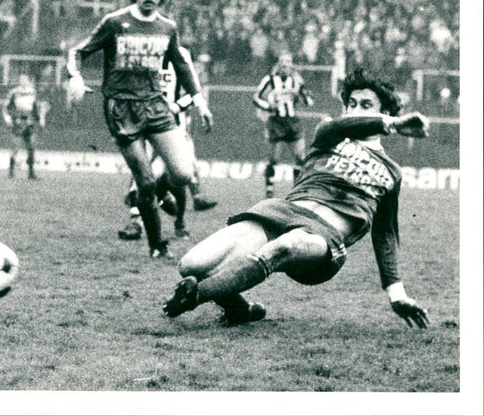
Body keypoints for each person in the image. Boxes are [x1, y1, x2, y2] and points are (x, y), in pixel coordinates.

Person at [163, 68, 430, 330]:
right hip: (281, 213)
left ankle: (194, 296)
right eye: (351, 104)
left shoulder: (391, 171)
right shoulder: (329, 133)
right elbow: (341, 124)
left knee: (289, 244)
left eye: (366, 105)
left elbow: (385, 234)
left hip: (323, 240)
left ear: (383, 112)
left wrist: (397, 295)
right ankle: (240, 309)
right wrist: (392, 124)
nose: (356, 110)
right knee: (192, 264)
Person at [67, 0, 213, 259]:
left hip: (157, 106)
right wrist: (75, 76)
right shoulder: (115, 22)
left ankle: (156, 196)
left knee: (183, 173)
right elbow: (78, 52)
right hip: (121, 109)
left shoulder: (168, 28)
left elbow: (181, 65)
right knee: (144, 180)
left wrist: (200, 101)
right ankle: (157, 245)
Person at [118, 44, 218, 242]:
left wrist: (175, 107)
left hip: (172, 129)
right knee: (141, 167)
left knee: (179, 177)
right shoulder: (142, 53)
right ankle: (135, 222)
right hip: (144, 123)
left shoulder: (180, 56)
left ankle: (177, 218)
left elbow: (193, 92)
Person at [253, 52, 314, 198]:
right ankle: (269, 188)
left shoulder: (297, 80)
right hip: (276, 122)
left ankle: (297, 188)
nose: (285, 64)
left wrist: (299, 93)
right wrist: (269, 106)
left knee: (300, 157)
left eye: (288, 61)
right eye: (283, 61)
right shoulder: (270, 79)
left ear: (291, 64)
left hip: (293, 121)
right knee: (274, 159)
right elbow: (256, 98)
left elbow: (308, 102)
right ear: (278, 64)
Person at [3, 74, 43, 179]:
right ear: (19, 81)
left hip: (29, 121)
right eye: (21, 80)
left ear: (28, 81)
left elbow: (36, 107)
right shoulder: (14, 92)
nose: (23, 81)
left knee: (31, 147)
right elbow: (6, 107)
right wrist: (8, 119)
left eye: (25, 80)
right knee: (15, 146)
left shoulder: (33, 92)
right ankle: (11, 172)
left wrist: (39, 119)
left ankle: (31, 172)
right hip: (18, 121)